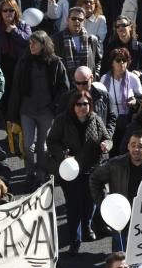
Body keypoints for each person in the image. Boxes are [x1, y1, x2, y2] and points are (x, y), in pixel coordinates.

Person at [48, 89, 112, 254]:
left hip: (92, 169)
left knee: (89, 203)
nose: (83, 107)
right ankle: (74, 241)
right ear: (73, 105)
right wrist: (63, 155)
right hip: (70, 171)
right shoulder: (62, 120)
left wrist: (106, 145)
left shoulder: (95, 119)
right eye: (79, 104)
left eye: (86, 104)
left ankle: (87, 227)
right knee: (73, 206)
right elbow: (52, 141)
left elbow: (107, 138)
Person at [7, 31, 69, 189]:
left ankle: (41, 174)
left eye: (35, 43)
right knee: (27, 145)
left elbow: (64, 88)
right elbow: (16, 89)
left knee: (43, 146)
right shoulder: (24, 62)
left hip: (46, 111)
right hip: (26, 110)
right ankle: (29, 172)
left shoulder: (55, 63)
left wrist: (55, 107)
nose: (31, 46)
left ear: (44, 44)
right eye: (30, 43)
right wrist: (12, 114)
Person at [89, 132, 142, 250]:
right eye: (133, 145)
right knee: (120, 257)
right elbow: (95, 179)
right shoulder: (115, 164)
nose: (136, 149)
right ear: (128, 146)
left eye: (140, 146)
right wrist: (103, 204)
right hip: (121, 216)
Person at [101, 47, 142, 150]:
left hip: (128, 121)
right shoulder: (104, 79)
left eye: (124, 60)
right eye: (118, 60)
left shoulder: (133, 78)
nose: (121, 63)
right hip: (110, 121)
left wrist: (135, 101)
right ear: (112, 62)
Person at [53, 7, 102, 80]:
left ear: (84, 21)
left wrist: (96, 74)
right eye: (73, 18)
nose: (77, 21)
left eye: (80, 19)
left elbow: (98, 60)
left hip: (87, 83)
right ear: (67, 20)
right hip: (66, 84)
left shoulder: (92, 39)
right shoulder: (57, 39)